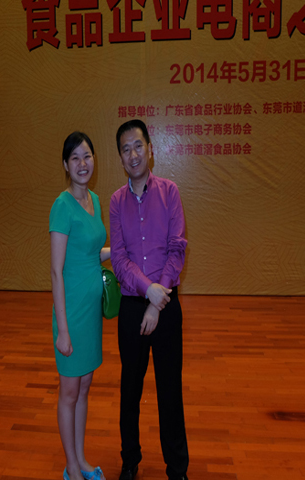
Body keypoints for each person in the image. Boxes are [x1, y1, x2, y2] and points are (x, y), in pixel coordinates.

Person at [109, 119, 189, 480]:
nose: (133, 154)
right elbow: (119, 258)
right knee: (130, 388)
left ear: (151, 149)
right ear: (120, 157)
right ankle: (130, 461)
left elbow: (177, 249)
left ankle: (177, 468)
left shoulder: (170, 192)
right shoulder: (116, 201)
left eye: (138, 146)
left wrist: (158, 298)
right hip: (131, 307)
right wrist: (148, 291)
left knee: (170, 390)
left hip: (166, 305)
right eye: (125, 149)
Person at [50, 132, 110, 480]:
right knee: (70, 391)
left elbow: (90, 253)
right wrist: (63, 330)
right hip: (71, 313)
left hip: (92, 314)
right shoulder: (62, 206)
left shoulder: (95, 201)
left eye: (86, 156)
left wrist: (118, 252)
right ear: (66, 165)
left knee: (85, 385)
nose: (82, 164)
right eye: (75, 158)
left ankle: (82, 459)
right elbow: (56, 271)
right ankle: (71, 467)